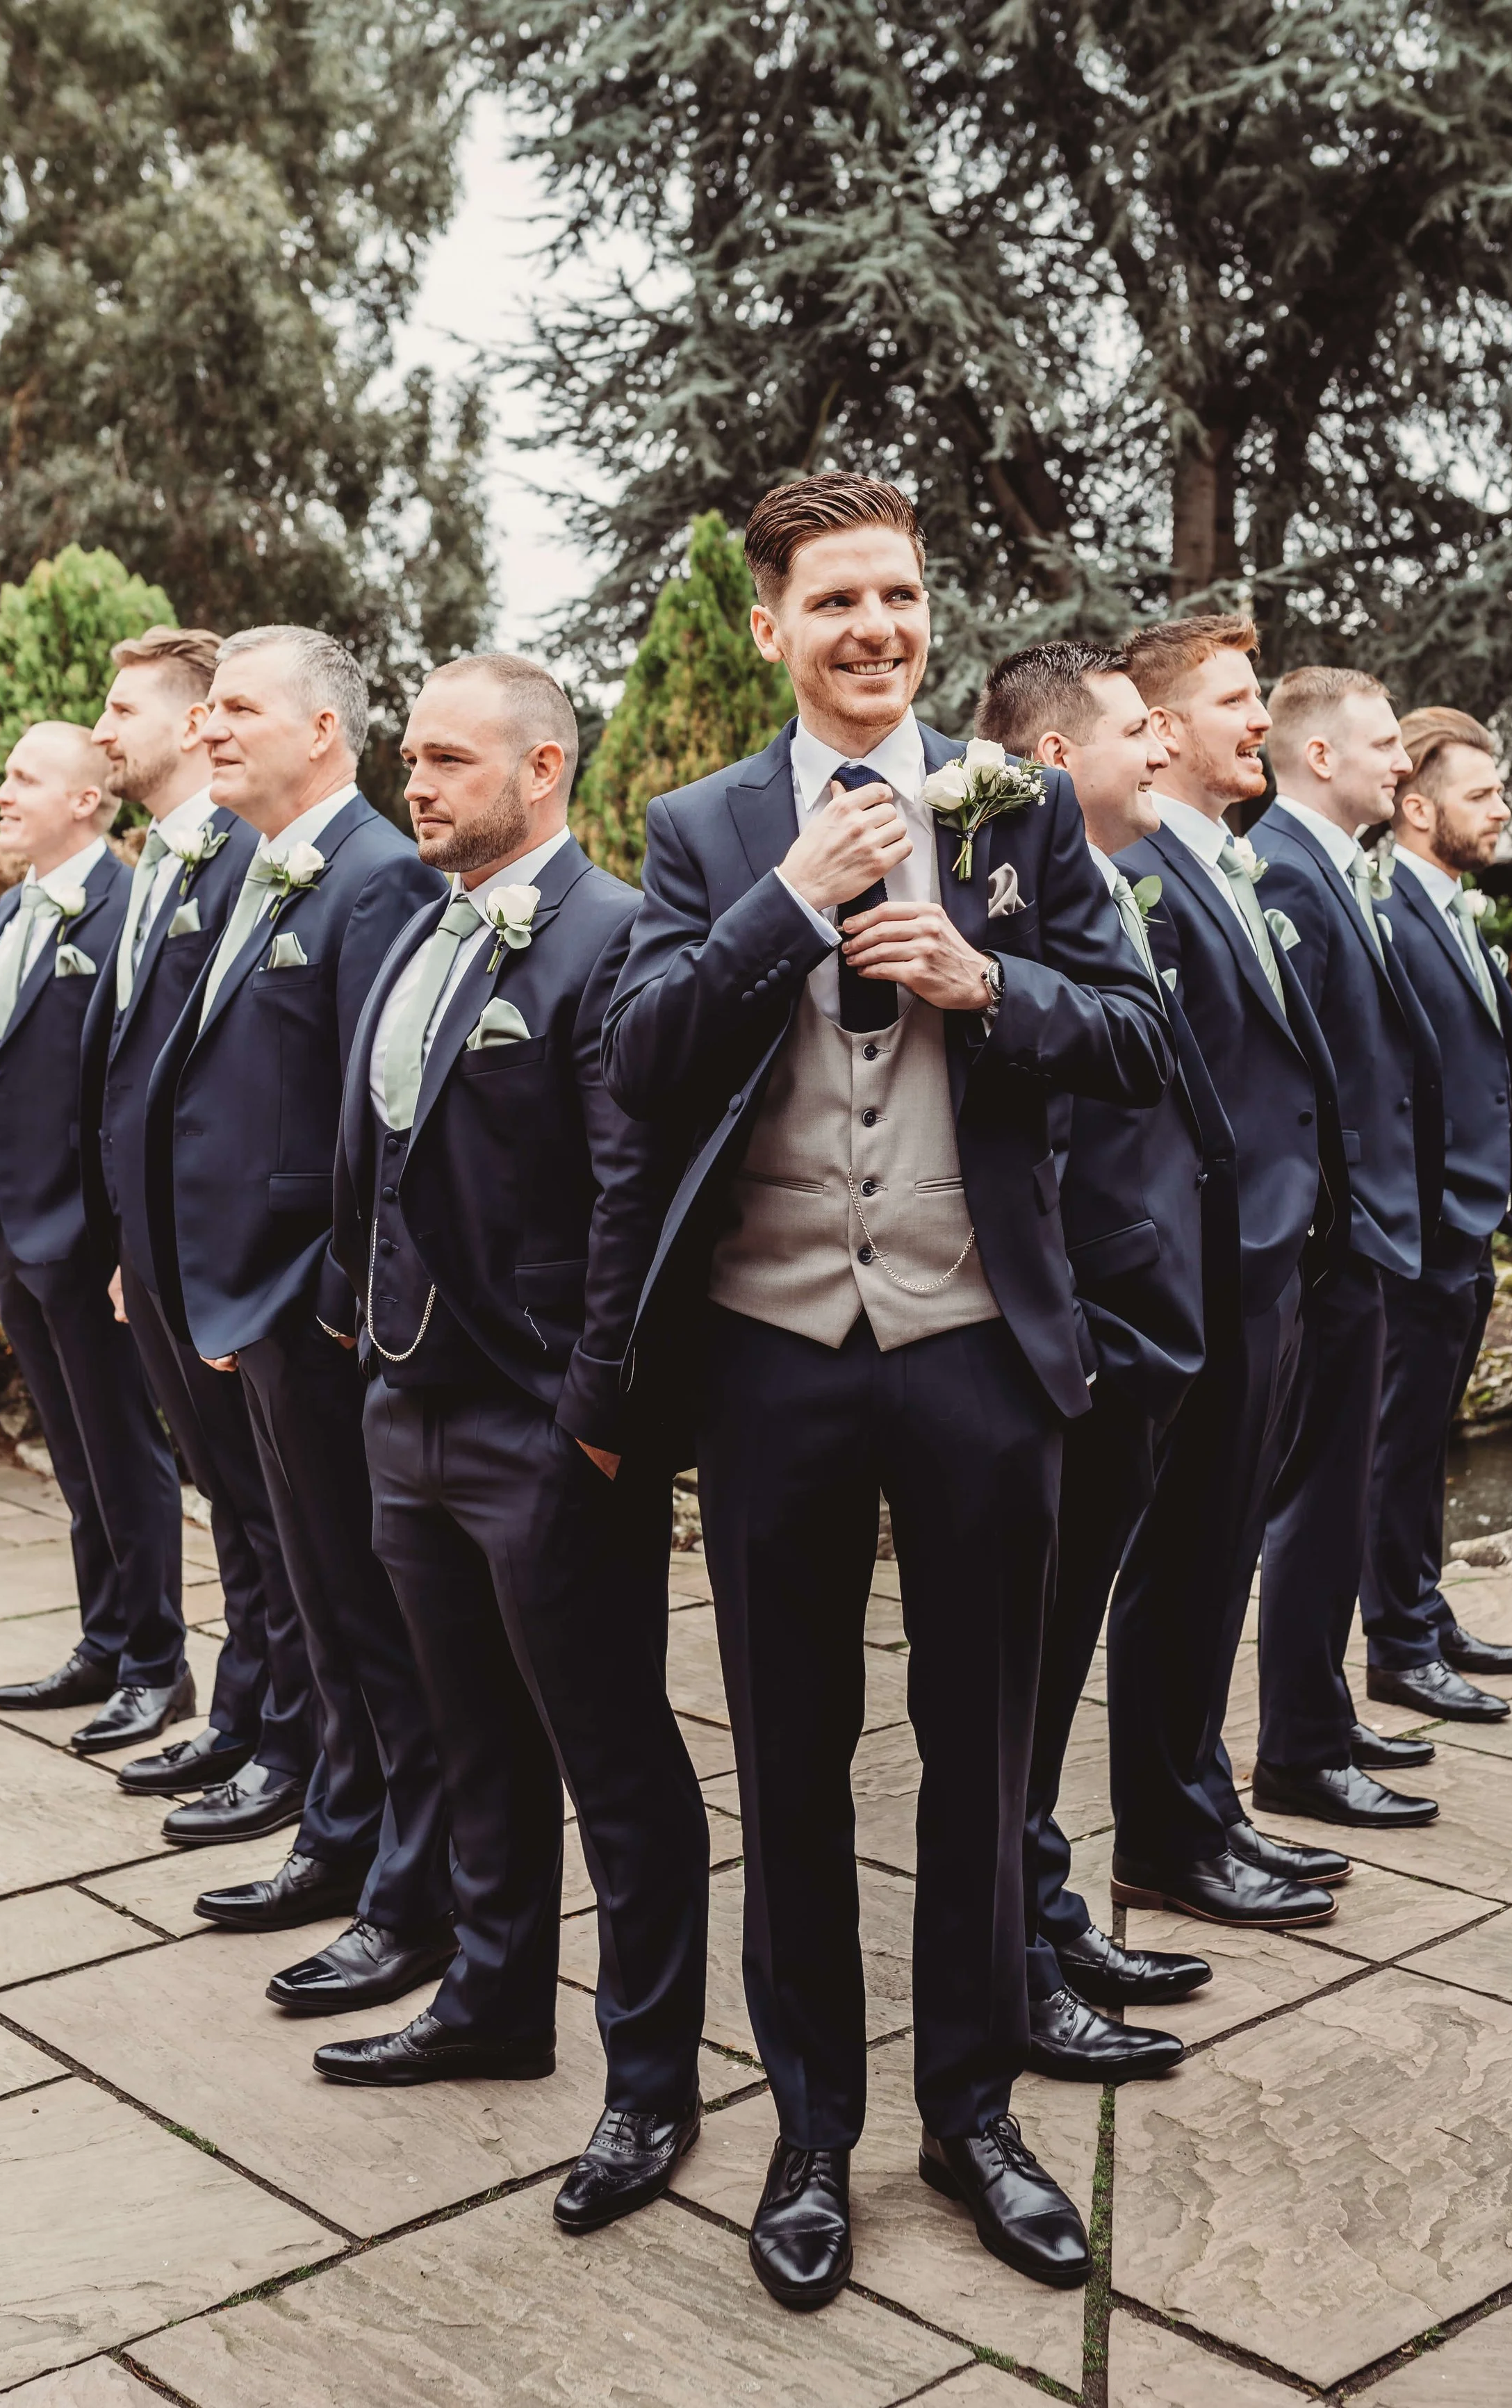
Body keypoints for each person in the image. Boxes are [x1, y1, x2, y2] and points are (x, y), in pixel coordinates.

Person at [605, 473, 1174, 2309]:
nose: (875, 629)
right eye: (836, 600)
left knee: (981, 1756)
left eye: (901, 597)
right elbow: (639, 1055)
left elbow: (1141, 1044)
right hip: (774, 1366)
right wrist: (791, 899)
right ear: (768, 625)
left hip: (974, 1357)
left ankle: (972, 2112)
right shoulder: (697, 829)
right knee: (784, 1762)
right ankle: (810, 2130)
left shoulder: (1018, 816)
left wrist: (984, 979)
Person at [321, 653, 711, 2237]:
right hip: (401, 1413)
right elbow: (384, 1150)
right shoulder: (418, 923)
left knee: (614, 1760)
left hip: (541, 1428)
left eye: (445, 760)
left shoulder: (612, 938)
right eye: (409, 757)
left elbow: (637, 1200)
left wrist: (598, 1422)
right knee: (468, 1731)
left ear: (541, 768)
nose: (412, 783)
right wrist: (357, 1331)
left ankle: (650, 2085)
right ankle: (491, 1997)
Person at [143, 625, 455, 2014]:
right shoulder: (263, 868)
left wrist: (325, 1310)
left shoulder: (377, 881)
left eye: (237, 710)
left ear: (323, 729)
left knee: (380, 1622)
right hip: (246, 1299)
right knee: (325, 1604)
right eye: (202, 711)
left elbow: (377, 1122)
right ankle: (339, 1834)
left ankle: (412, 1894)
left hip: (316, 1313)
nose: (209, 729)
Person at [973, 641, 1221, 2078]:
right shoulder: (1005, 894)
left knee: (1049, 1679)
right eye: (1135, 730)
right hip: (1079, 1350)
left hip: (1145, 1342)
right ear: (1056, 761)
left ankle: (1045, 1901)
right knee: (1019, 1674)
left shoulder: (1127, 890)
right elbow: (1047, 1159)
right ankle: (1014, 1945)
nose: (1159, 747)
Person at [1107, 616, 1352, 1929]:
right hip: (1201, 1273)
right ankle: (1161, 1834)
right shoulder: (1147, 867)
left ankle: (1206, 1806)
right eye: (1233, 699)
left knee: (1221, 1558)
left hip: (1272, 1263)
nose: (1256, 719)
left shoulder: (1230, 863)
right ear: (1160, 726)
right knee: (1184, 1557)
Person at [79, 625, 315, 1816]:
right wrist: (130, 1248)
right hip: (157, 1247)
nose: (104, 730)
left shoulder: (248, 859)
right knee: (226, 1494)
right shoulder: (153, 863)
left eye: (124, 711)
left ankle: (285, 1740)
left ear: (188, 723)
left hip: (224, 1248)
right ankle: (238, 1713)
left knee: (272, 1507)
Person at [0, 723, 188, 1751]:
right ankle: (104, 1639)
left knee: (126, 1455)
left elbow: (133, 1089)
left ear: (87, 801)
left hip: (92, 1242)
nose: (1, 792)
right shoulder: (12, 907)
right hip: (19, 1233)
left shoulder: (132, 909)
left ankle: (157, 1667)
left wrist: (131, 1241)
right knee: (75, 1458)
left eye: (23, 778)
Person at [1244, 668, 1444, 1828]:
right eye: (1381, 743)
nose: (1401, 761)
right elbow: (1282, 1087)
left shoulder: (1337, 868)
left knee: (1331, 1501)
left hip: (1359, 1242)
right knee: (1314, 1503)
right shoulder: (1280, 869)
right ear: (1317, 756)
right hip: (1323, 1250)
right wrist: (1326, 1237)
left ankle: (1319, 1709)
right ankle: (1300, 1750)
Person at [1360, 707, 1512, 1720]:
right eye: (1481, 795)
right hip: (1423, 1228)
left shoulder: (1447, 905)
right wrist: (1430, 1210)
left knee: (1432, 1431)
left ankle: (1422, 1608)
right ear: (1415, 804)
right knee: (1398, 1439)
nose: (1501, 810)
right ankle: (1395, 1642)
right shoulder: (1387, 911)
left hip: (1470, 1222)